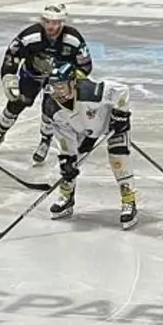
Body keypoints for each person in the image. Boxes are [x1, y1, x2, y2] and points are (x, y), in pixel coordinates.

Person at [0, 3, 93, 163]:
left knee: (50, 110)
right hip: (31, 74)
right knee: (16, 102)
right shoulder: (30, 36)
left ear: (62, 22)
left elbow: (85, 65)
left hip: (58, 80)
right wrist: (9, 76)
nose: (50, 26)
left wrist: (69, 80)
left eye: (54, 22)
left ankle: (45, 141)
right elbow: (12, 54)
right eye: (47, 21)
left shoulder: (73, 39)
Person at [44, 62, 138, 228]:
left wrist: (121, 114)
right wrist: (67, 158)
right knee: (68, 165)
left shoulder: (91, 91)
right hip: (86, 132)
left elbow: (121, 91)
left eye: (61, 86)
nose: (58, 91)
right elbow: (65, 138)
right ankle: (67, 197)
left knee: (119, 159)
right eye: (54, 86)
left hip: (112, 125)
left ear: (73, 83)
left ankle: (129, 201)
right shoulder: (52, 108)